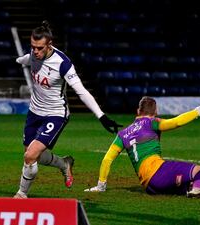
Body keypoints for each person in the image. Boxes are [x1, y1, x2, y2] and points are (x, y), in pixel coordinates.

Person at [13, 21, 122, 198]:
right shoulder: (33, 55)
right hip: (34, 112)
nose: (35, 51)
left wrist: (101, 116)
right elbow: (25, 59)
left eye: (39, 48)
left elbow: (81, 91)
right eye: (33, 47)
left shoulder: (63, 63)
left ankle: (21, 195)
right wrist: (19, 60)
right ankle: (64, 164)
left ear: (50, 45)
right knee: (33, 155)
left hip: (55, 114)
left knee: (30, 155)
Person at [85, 96, 200, 198]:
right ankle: (196, 191)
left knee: (195, 182)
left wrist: (101, 185)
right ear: (155, 112)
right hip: (158, 171)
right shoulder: (152, 123)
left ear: (137, 110)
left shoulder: (123, 134)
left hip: (150, 186)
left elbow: (107, 159)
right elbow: (176, 122)